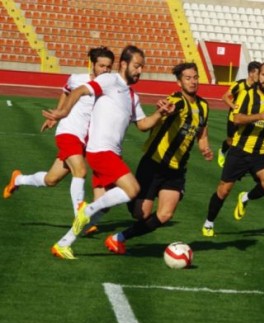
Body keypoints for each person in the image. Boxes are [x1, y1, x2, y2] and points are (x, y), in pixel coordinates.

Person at [42, 45, 173, 259]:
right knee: (132, 190)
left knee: (103, 208)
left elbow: (142, 124)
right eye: (137, 66)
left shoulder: (133, 96)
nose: (140, 71)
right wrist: (63, 111)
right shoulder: (109, 80)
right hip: (101, 150)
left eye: (142, 67)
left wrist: (160, 114)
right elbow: (80, 90)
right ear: (124, 64)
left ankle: (63, 244)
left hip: (113, 153)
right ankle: (85, 211)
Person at [104, 62, 213, 255]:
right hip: (154, 163)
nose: (193, 81)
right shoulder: (176, 101)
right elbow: (166, 105)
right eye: (188, 78)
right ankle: (125, 190)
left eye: (195, 77)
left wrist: (205, 149)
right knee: (141, 214)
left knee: (165, 215)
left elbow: (202, 134)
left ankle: (119, 238)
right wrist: (162, 108)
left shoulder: (204, 106)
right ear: (179, 82)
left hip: (177, 169)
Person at [3, 47, 115, 231]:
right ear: (92, 64)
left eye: (108, 67)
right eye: (101, 66)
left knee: (51, 179)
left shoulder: (110, 86)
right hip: (69, 132)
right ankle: (81, 217)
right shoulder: (78, 79)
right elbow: (66, 92)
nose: (105, 70)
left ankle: (18, 179)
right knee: (80, 170)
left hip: (87, 139)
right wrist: (56, 115)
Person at [201, 61, 264, 237]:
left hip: (261, 152)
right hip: (240, 149)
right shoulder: (247, 94)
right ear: (258, 75)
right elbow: (236, 118)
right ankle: (209, 222)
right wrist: (258, 116)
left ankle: (245, 198)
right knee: (223, 190)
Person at [218, 61, 261, 168]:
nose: (259, 76)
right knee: (230, 141)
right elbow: (225, 96)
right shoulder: (240, 84)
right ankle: (222, 151)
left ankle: (239, 164)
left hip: (246, 119)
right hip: (233, 118)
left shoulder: (257, 87)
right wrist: (233, 106)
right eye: (258, 73)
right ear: (251, 73)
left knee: (243, 142)